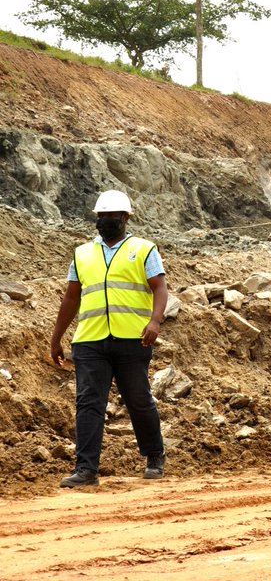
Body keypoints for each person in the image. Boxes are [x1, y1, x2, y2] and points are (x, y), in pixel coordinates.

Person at [49, 190, 168, 488]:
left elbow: (160, 288)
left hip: (132, 339)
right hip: (90, 341)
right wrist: (56, 337)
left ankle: (155, 456)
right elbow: (71, 298)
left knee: (138, 400)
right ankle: (86, 470)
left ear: (126, 218)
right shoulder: (82, 254)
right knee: (89, 403)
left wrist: (154, 321)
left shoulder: (143, 250)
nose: (107, 221)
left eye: (113, 216)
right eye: (102, 217)